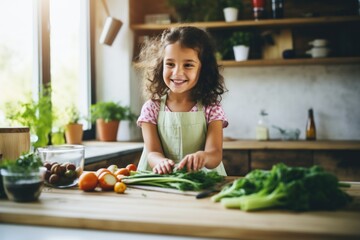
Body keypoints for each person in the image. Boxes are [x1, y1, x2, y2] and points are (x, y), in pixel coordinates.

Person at [135, 26, 228, 175]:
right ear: (161, 66)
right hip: (161, 182)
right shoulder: (151, 108)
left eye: (188, 65)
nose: (177, 73)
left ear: (202, 69)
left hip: (203, 181)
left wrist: (203, 157)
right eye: (170, 64)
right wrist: (160, 162)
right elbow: (152, 152)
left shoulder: (211, 108)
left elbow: (215, 154)